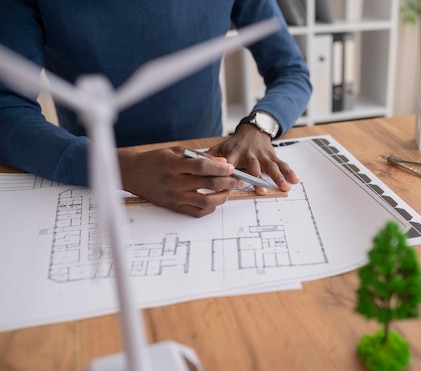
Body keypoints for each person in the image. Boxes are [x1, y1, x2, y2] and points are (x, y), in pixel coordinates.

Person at [0, 0, 312, 217]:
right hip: (93, 178)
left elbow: (292, 71)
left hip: (206, 167)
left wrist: (260, 125)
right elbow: (6, 109)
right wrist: (118, 169)